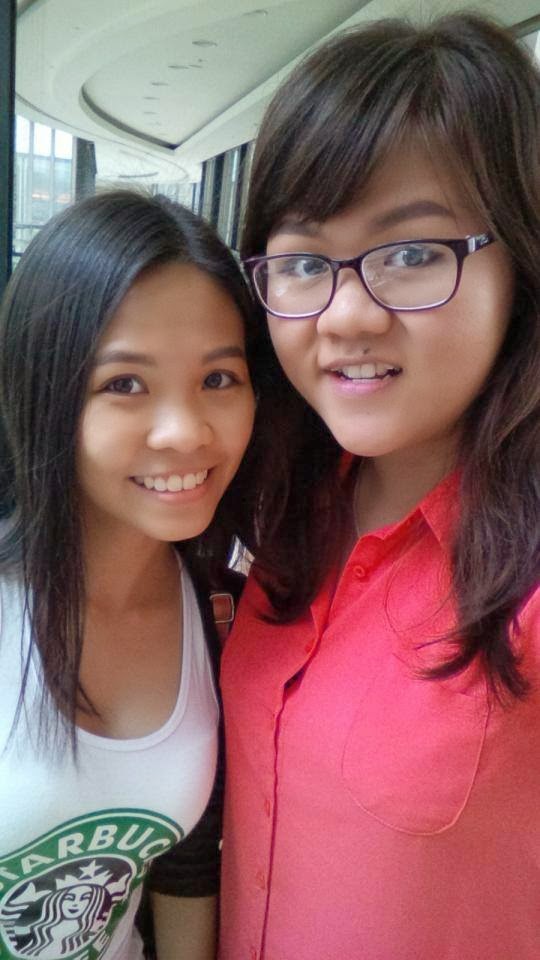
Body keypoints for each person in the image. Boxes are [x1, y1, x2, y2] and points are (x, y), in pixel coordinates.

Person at [219, 13, 540, 960]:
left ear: (520, 265)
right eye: (304, 262)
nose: (346, 317)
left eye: (411, 253)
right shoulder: (283, 506)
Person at [0, 189, 257, 960]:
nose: (185, 432)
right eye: (124, 384)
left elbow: (183, 856)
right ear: (44, 391)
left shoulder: (220, 610)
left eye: (219, 378)